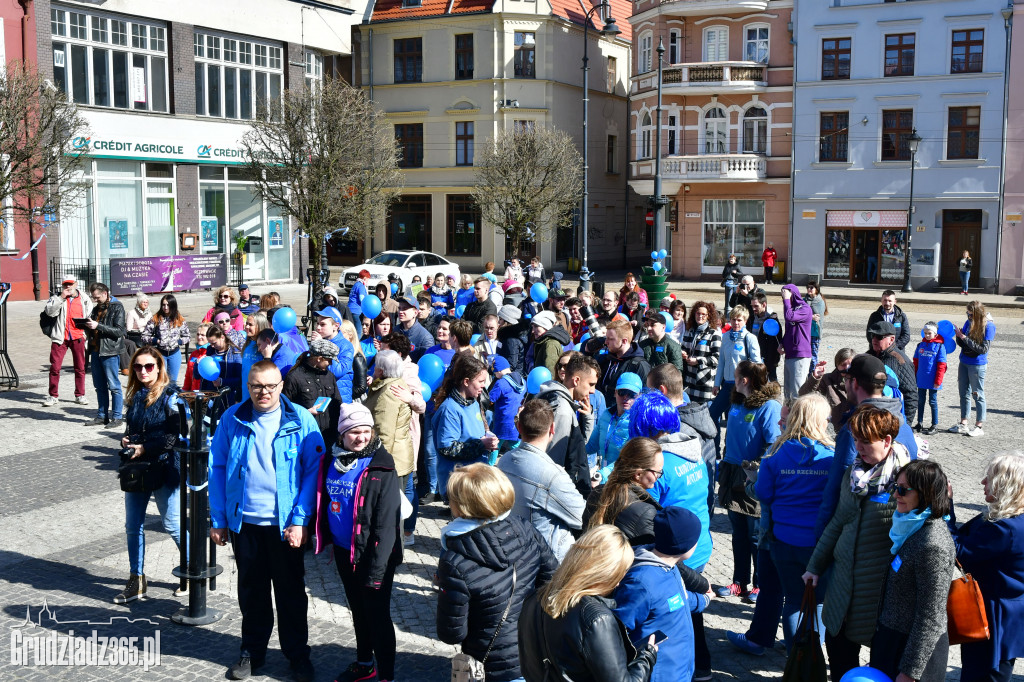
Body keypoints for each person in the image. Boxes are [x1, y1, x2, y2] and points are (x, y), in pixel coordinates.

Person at [210, 360, 324, 682]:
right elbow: (217, 468)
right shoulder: (232, 418)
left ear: (281, 386)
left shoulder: (301, 420)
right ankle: (252, 652)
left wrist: (301, 520)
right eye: (257, 386)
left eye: (271, 386)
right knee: (252, 593)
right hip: (244, 524)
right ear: (248, 386)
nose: (264, 392)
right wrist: (217, 518)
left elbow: (312, 474)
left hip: (285, 525)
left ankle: (298, 655)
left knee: (290, 594)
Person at [803, 405, 912, 682]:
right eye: (855, 439)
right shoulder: (853, 474)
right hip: (843, 591)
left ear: (887, 441)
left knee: (881, 670)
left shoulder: (906, 483)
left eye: (866, 441)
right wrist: (815, 566)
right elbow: (838, 522)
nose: (858, 447)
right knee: (840, 661)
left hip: (879, 598)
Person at [437, 464, 559, 682]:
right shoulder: (524, 528)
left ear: (460, 506)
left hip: (492, 662)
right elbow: (552, 579)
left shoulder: (454, 560)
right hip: (535, 649)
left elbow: (451, 633)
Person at [312, 402, 402, 682]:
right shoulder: (331, 460)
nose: (361, 437)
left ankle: (386, 675)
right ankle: (365, 663)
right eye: (353, 432)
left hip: (375, 556)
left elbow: (386, 525)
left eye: (366, 431)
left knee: (377, 616)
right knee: (358, 612)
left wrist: (376, 571)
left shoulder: (381, 467)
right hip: (343, 551)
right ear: (341, 435)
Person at [517, 525, 659, 682]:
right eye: (620, 573)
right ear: (605, 572)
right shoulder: (597, 619)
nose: (619, 583)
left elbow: (528, 664)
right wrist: (647, 657)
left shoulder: (535, 599)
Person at [752, 394, 834, 652]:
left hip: (783, 541)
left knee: (793, 601)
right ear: (819, 421)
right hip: (819, 544)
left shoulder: (775, 452)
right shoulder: (831, 456)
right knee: (817, 602)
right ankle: (812, 658)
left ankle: (794, 657)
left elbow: (763, 494)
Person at [869, 460, 955, 682]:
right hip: (894, 643)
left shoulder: (932, 544)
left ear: (925, 493)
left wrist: (909, 672)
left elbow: (931, 616)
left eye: (903, 489)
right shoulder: (911, 526)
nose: (896, 495)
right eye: (894, 487)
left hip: (912, 655)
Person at [815, 353, 918, 537]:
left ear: (854, 382)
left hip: (863, 531)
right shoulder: (903, 424)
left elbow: (837, 486)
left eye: (846, 378)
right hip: (897, 527)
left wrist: (821, 536)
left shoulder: (855, 430)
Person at [115, 347, 182, 604]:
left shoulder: (170, 395)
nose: (143, 371)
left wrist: (146, 447)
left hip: (164, 467)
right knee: (133, 526)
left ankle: (191, 571)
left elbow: (175, 436)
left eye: (149, 366)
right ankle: (137, 579)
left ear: (159, 367)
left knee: (172, 524)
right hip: (137, 469)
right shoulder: (133, 395)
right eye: (138, 367)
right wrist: (128, 440)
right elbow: (133, 428)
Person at [613, 507, 712, 682]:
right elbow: (618, 629)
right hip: (658, 672)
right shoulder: (641, 583)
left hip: (680, 668)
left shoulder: (669, 566)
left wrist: (703, 600)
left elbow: (679, 600)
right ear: (684, 544)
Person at [950, 452, 1024, 682]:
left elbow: (958, 549)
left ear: (1005, 485)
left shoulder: (1005, 529)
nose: (983, 482)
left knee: (982, 675)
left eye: (990, 477)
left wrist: (946, 509)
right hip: (1005, 611)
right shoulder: (1009, 520)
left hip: (992, 616)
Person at [717, 361, 782, 602]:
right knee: (738, 534)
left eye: (735, 375)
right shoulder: (736, 401)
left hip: (752, 475)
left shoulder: (769, 407)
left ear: (745, 379)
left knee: (756, 535)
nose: (733, 379)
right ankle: (739, 582)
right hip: (731, 471)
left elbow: (773, 444)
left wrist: (753, 469)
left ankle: (760, 584)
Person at [497, 399, 586, 562]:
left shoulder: (504, 461)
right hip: (546, 561)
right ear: (552, 428)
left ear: (519, 427)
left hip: (514, 549)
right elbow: (583, 517)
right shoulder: (553, 475)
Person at [647, 363, 717, 518]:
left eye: (649, 391)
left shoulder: (676, 430)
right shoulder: (699, 417)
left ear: (661, 390)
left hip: (684, 517)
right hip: (702, 509)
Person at [433, 354, 500, 500]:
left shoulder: (474, 402)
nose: (484, 385)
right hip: (460, 485)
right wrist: (481, 444)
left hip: (474, 480)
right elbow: (447, 448)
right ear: (466, 381)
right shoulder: (450, 409)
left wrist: (488, 435)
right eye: (481, 381)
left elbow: (474, 430)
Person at [536, 353, 599, 496]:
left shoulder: (559, 401)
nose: (593, 391)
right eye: (591, 384)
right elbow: (554, 462)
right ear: (576, 380)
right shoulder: (563, 411)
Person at [583, 437, 664, 545]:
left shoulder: (598, 491)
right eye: (657, 472)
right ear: (638, 474)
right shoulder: (645, 512)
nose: (659, 476)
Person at [711, 305, 761, 453]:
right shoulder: (725, 337)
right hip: (727, 385)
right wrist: (716, 383)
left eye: (739, 320)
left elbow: (757, 364)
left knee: (735, 421)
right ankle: (715, 450)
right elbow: (721, 362)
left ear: (745, 321)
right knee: (712, 415)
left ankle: (730, 452)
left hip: (742, 389)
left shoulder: (750, 338)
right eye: (733, 319)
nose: (736, 323)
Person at [43, 278, 92, 406]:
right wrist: (61, 298)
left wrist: (85, 334)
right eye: (65, 285)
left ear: (76, 284)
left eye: (70, 284)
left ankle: (80, 395)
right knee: (55, 367)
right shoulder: (56, 298)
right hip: (60, 337)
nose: (68, 287)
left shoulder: (84, 298)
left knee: (80, 367)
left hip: (78, 336)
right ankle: (53, 395)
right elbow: (49, 312)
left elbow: (89, 315)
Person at [83, 283, 127, 428]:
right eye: (93, 297)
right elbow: (94, 327)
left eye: (97, 297)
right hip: (96, 351)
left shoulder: (117, 307)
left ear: (105, 293)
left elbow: (120, 331)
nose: (95, 300)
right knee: (99, 386)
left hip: (110, 351)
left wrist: (98, 326)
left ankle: (117, 417)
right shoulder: (97, 309)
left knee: (114, 386)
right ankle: (102, 416)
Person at [283, 339, 341, 447]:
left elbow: (338, 403)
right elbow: (285, 408)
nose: (331, 363)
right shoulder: (295, 377)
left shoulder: (329, 376)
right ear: (319, 359)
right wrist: (306, 412)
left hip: (330, 436)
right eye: (329, 360)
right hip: (306, 436)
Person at [950, 300, 996, 437]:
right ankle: (964, 423)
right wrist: (958, 336)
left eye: (970, 315)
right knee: (963, 393)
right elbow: (963, 344)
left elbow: (983, 349)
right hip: (964, 361)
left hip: (978, 364)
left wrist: (964, 338)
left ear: (977, 314)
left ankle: (978, 426)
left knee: (978, 394)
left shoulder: (989, 326)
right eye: (967, 314)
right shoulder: (968, 323)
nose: (968, 317)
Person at [588, 372, 640, 483]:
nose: (626, 397)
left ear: (639, 396)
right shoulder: (607, 414)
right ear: (615, 393)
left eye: (631, 394)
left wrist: (603, 474)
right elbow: (591, 445)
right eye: (622, 392)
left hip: (623, 482)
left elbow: (628, 460)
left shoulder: (637, 423)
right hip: (603, 479)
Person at [867, 320, 919, 422]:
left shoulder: (901, 362)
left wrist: (905, 425)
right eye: (873, 335)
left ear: (891, 339)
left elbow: (911, 396)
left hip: (891, 418)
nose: (874, 339)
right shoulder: (869, 356)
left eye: (879, 337)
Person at [595, 319, 650, 405]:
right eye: (606, 338)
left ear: (624, 341)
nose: (606, 342)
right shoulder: (607, 359)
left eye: (610, 339)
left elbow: (645, 396)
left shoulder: (639, 365)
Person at [800, 347, 856, 428]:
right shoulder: (827, 380)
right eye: (843, 365)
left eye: (850, 365)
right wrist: (815, 378)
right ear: (837, 365)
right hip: (834, 431)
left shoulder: (860, 381)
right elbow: (804, 396)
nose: (847, 368)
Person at [142, 294, 190, 385]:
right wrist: (156, 340)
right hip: (161, 354)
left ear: (173, 305)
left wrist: (179, 341)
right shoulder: (155, 319)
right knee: (160, 381)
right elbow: (144, 336)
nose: (165, 307)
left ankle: (171, 399)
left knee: (172, 382)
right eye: (163, 305)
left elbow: (187, 336)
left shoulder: (179, 319)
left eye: (168, 305)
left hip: (174, 353)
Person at [680, 302, 721, 405]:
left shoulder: (714, 334)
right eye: (698, 313)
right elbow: (683, 348)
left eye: (704, 314)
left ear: (708, 316)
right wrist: (683, 353)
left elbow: (717, 359)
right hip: (689, 380)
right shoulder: (689, 331)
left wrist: (698, 361)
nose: (700, 316)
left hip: (704, 382)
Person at [912, 322, 947, 434]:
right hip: (921, 378)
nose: (927, 335)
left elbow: (942, 365)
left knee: (932, 401)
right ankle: (920, 423)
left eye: (929, 333)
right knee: (920, 401)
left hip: (933, 380)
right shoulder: (920, 345)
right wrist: (914, 376)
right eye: (925, 333)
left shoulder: (940, 346)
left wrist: (938, 381)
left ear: (935, 334)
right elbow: (915, 362)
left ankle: (934, 424)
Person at [781, 283, 813, 403]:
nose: (783, 296)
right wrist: (782, 343)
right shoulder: (790, 308)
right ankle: (787, 420)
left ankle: (799, 420)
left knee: (797, 392)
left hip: (800, 354)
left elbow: (789, 317)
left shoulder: (805, 309)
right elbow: (789, 329)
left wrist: (786, 300)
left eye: (786, 293)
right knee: (787, 393)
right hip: (789, 354)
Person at [488, 356, 525, 453]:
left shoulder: (500, 383)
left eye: (495, 372)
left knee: (495, 444)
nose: (494, 375)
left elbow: (490, 398)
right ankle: (519, 463)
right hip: (517, 419)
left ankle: (490, 465)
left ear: (498, 370)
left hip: (502, 420)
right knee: (515, 445)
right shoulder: (522, 380)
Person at [201, 327, 244, 405]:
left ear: (222, 337)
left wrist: (222, 382)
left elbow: (240, 380)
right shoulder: (210, 351)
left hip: (228, 398)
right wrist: (198, 364)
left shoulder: (236, 354)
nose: (212, 346)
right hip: (210, 398)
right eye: (210, 343)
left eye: (214, 343)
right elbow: (199, 376)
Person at [749, 293, 783, 383]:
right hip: (752, 356)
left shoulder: (772, 320)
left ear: (764, 304)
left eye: (756, 306)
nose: (753, 308)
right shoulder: (751, 317)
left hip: (768, 359)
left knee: (771, 383)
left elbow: (776, 342)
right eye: (752, 306)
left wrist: (773, 362)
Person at [240, 312, 271, 403]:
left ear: (260, 326)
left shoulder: (263, 346)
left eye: (250, 325)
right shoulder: (247, 344)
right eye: (246, 324)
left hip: (257, 393)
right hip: (245, 392)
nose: (247, 327)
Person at [529, 311, 572, 375]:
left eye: (536, 326)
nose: (533, 331)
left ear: (546, 326)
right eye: (532, 327)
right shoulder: (543, 341)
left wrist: (549, 384)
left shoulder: (550, 344)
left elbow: (551, 372)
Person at [182, 322, 213, 392]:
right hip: (193, 394)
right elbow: (188, 376)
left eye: (202, 335)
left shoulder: (211, 354)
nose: (199, 337)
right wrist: (185, 391)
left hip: (206, 394)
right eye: (198, 334)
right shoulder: (194, 354)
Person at [806, 282, 828, 375]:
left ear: (817, 289)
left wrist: (808, 316)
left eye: (812, 287)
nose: (809, 289)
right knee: (806, 355)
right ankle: (807, 374)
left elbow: (818, 317)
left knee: (813, 356)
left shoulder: (820, 302)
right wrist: (810, 316)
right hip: (805, 332)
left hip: (815, 332)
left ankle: (813, 375)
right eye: (808, 287)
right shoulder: (804, 300)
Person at [124, 291, 152, 359]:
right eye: (143, 302)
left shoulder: (149, 313)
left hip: (148, 336)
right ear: (139, 303)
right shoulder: (131, 313)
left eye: (146, 302)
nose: (145, 304)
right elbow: (128, 329)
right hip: (136, 338)